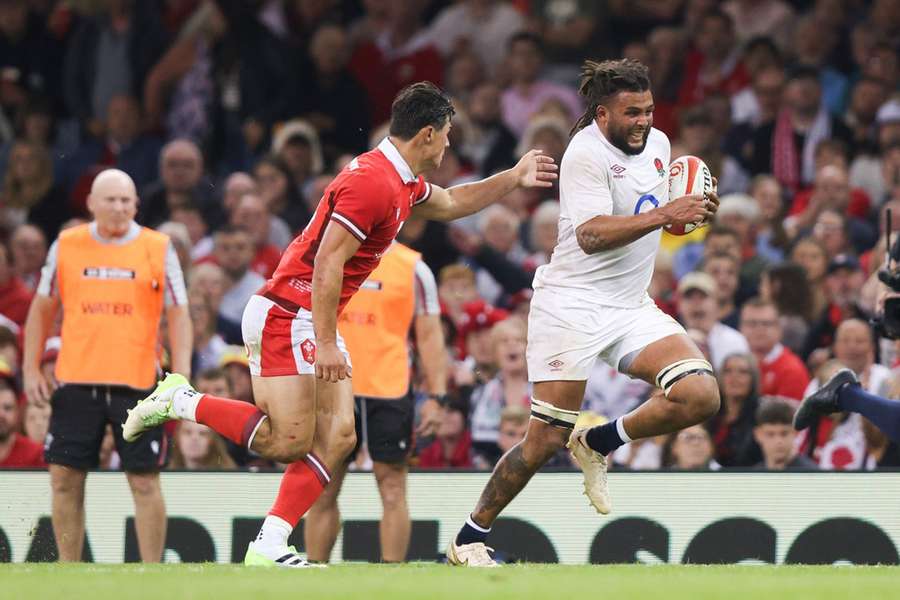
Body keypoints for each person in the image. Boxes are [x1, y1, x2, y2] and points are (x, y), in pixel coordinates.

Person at [123, 81, 557, 568]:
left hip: (308, 318)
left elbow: (454, 203)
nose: (451, 145)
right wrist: (327, 342)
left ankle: (269, 543)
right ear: (429, 134)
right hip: (287, 315)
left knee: (340, 439)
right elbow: (328, 262)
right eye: (449, 135)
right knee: (284, 441)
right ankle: (180, 399)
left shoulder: (399, 179)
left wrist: (514, 176)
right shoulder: (373, 183)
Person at [448, 59, 720, 567]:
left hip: (630, 305)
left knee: (700, 394)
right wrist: (666, 214)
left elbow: (667, 213)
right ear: (602, 114)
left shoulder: (659, 146)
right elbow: (591, 236)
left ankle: (598, 441)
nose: (644, 121)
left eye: (649, 110)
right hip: (571, 305)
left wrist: (695, 208)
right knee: (544, 438)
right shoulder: (584, 154)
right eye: (632, 112)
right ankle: (467, 538)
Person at [22, 168, 191, 562]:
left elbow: (179, 312)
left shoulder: (158, 246)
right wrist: (31, 368)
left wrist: (180, 375)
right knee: (64, 479)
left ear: (136, 204)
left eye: (126, 200)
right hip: (77, 380)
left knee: (145, 480)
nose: (119, 207)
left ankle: (152, 573)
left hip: (138, 382)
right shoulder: (67, 244)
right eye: (110, 200)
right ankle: (69, 570)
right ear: (91, 203)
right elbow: (42, 307)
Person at [304, 242, 446, 563]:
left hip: (389, 387)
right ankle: (313, 572)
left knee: (392, 486)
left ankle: (391, 575)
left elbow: (429, 335)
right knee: (323, 486)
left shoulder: (413, 267)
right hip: (332, 383)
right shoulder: (326, 257)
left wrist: (437, 396)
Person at [754, 397, 817, 470]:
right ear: (758, 434)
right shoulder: (752, 475)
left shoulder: (812, 475)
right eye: (770, 434)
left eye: (784, 434)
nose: (778, 441)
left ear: (795, 432)